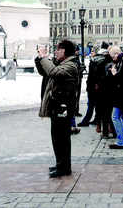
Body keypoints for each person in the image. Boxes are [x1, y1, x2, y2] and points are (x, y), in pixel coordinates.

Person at [36, 39, 78, 177]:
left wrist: (44, 58)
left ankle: (64, 167)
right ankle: (60, 163)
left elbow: (54, 72)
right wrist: (40, 59)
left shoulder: (72, 65)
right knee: (57, 137)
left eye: (58, 50)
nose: (56, 52)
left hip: (64, 106)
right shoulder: (62, 63)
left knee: (62, 138)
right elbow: (45, 72)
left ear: (65, 52)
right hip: (58, 105)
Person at [77, 45, 102, 127]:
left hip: (93, 86)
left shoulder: (95, 61)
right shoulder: (98, 60)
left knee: (91, 104)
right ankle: (96, 119)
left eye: (93, 51)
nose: (91, 53)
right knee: (96, 104)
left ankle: (86, 120)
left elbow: (94, 75)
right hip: (94, 85)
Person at [74, 45, 84, 117]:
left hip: (78, 79)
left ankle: (76, 109)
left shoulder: (77, 58)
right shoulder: (74, 59)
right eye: (78, 50)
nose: (79, 52)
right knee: (75, 95)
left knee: (77, 95)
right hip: (76, 80)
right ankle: (75, 110)